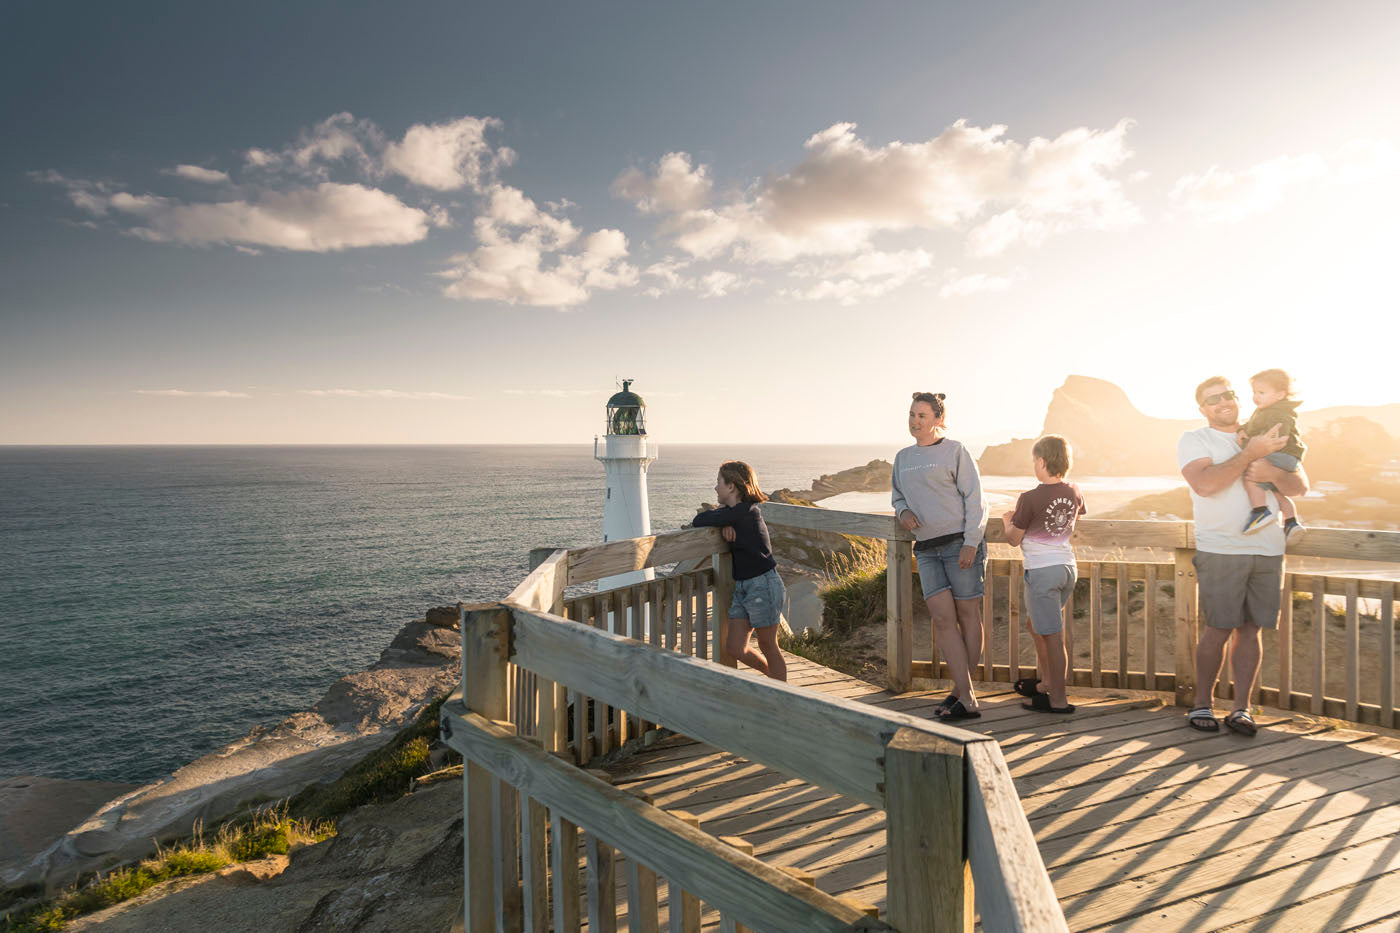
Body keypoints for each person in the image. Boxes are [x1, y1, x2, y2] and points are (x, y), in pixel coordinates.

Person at [1179, 376, 1308, 736]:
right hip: (1222, 548)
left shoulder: (1265, 428)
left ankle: (1241, 709)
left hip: (1268, 549)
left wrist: (1272, 473)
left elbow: (1300, 486)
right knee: (1217, 628)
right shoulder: (1196, 440)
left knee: (1251, 631)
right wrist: (1251, 454)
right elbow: (1205, 484)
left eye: (1228, 395)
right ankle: (1202, 704)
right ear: (1202, 408)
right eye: (1213, 399)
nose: (1223, 402)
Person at [891, 392, 988, 720]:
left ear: (937, 419)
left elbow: (976, 499)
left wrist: (971, 541)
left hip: (960, 544)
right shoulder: (903, 458)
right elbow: (898, 495)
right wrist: (903, 511)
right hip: (928, 550)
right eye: (911, 415)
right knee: (943, 620)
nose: (914, 421)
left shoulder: (955, 451)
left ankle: (963, 695)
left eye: (921, 415)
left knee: (967, 616)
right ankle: (966, 694)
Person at [1001, 435, 1085, 714]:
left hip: (1043, 572)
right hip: (1066, 569)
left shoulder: (1029, 498)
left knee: (1052, 637)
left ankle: (1058, 700)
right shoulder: (1073, 490)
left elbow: (1014, 539)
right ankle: (1047, 682)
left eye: (1033, 460)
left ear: (1041, 461)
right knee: (1035, 624)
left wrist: (1006, 522)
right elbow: (1075, 518)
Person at [691, 460, 787, 681]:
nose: (716, 487)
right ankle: (772, 677)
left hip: (763, 585)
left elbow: (699, 519)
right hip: (743, 587)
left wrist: (724, 519)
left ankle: (783, 698)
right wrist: (725, 521)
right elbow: (702, 519)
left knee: (767, 644)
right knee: (735, 647)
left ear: (731, 486)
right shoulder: (735, 513)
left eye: (719, 482)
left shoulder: (746, 512)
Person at [1241, 368, 1306, 539]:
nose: (1256, 396)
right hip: (1288, 456)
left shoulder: (1276, 413)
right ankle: (1291, 522)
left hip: (1280, 454)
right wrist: (1244, 429)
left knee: (1250, 477)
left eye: (1261, 392)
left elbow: (1274, 437)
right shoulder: (1269, 410)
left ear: (1279, 395)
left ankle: (1260, 511)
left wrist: (1247, 443)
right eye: (1254, 392)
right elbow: (1254, 426)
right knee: (1275, 493)